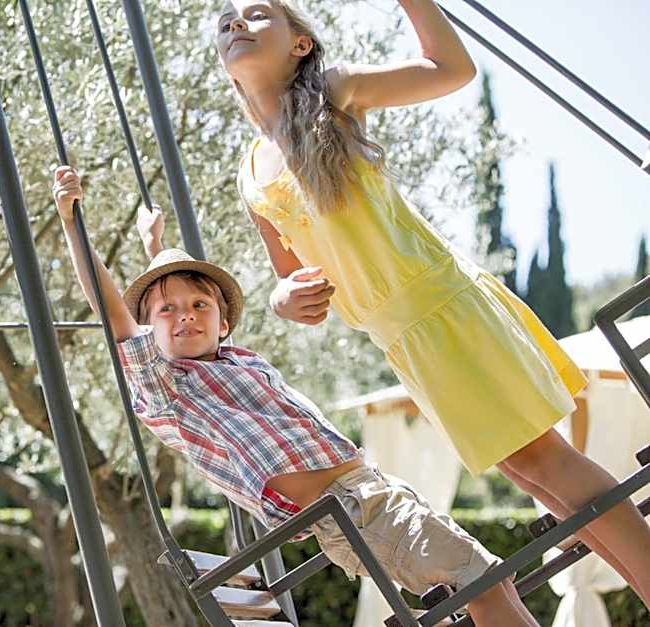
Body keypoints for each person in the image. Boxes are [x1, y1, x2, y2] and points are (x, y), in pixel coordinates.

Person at [209, 0, 650, 605]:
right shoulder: (251, 172)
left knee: (546, 462)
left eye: (258, 13)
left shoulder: (332, 93)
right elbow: (287, 277)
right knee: (533, 474)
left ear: (300, 45)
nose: (237, 23)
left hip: (443, 306)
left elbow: (450, 69)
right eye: (227, 21)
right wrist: (287, 299)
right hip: (402, 341)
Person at [52, 165, 538, 625]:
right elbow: (115, 314)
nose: (186, 315)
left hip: (370, 496)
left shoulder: (234, 361)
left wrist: (155, 247)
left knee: (493, 582)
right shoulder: (169, 388)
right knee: (484, 580)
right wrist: (73, 223)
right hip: (352, 512)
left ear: (224, 323)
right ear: (147, 330)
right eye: (167, 311)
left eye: (200, 305)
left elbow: (173, 303)